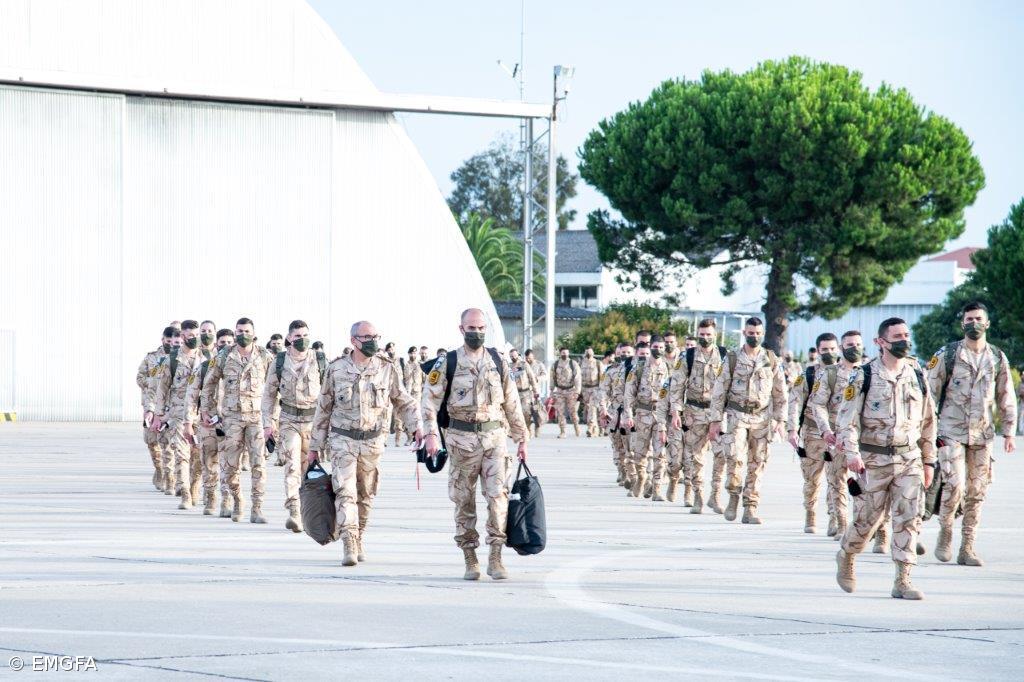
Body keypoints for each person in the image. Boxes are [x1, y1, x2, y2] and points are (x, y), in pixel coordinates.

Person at [835, 317, 937, 600]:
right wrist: (852, 454)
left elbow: (929, 421)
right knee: (868, 521)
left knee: (908, 517)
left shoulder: (917, 373)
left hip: (909, 458)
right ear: (881, 342)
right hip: (873, 460)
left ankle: (903, 579)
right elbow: (847, 420)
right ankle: (847, 554)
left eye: (906, 334)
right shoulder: (864, 375)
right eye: (897, 336)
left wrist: (929, 461)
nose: (904, 340)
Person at [421, 309, 527, 580]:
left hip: (494, 440)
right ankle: (470, 555)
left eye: (481, 328)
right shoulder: (448, 362)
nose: (477, 332)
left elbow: (512, 402)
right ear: (461, 329)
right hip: (461, 442)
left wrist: (521, 438)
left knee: (497, 498)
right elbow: (429, 402)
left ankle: (496, 555)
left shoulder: (498, 361)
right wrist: (431, 434)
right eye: (471, 327)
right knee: (464, 501)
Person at [309, 321, 421, 566]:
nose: (373, 341)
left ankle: (359, 534)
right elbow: (323, 408)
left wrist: (417, 428)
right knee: (345, 492)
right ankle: (349, 540)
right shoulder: (336, 369)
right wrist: (314, 447)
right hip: (342, 439)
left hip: (372, 442)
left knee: (366, 495)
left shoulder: (387, 368)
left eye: (375, 336)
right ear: (353, 341)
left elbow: (403, 401)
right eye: (367, 337)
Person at [924, 302, 1016, 566]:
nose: (973, 323)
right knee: (955, 487)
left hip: (982, 434)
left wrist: (1009, 432)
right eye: (968, 319)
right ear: (962, 323)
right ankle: (946, 531)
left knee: (977, 492)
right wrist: (927, 431)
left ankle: (968, 547)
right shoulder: (948, 354)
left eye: (978, 318)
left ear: (987, 323)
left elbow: (1006, 396)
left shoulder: (997, 357)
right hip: (950, 431)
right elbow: (930, 394)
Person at [708, 317, 787, 524]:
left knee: (758, 463)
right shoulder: (732, 358)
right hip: (737, 416)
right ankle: (733, 494)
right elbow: (719, 390)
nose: (755, 337)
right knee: (734, 458)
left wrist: (780, 420)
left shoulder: (771, 359)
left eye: (758, 333)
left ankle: (750, 507)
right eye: (751, 333)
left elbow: (780, 392)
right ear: (745, 334)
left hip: (762, 418)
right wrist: (715, 421)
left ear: (762, 334)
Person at [200, 318, 273, 523]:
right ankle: (237, 499)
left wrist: (273, 418)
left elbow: (274, 387)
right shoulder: (224, 356)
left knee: (258, 464)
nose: (243, 334)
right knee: (230, 466)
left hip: (257, 418)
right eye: (239, 331)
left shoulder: (264, 356)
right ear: (235, 332)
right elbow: (209, 384)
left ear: (254, 332)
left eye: (247, 331)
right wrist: (207, 410)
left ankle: (257, 508)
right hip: (231, 419)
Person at [262, 320, 324, 533]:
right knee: (291, 466)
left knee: (310, 468)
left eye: (305, 335)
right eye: (297, 336)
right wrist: (267, 424)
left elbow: (330, 396)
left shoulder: (320, 360)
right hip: (288, 420)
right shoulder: (279, 362)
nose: (302, 339)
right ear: (289, 338)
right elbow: (269, 395)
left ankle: (308, 510)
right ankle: (294, 511)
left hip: (313, 422)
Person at [664, 318, 726, 513]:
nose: (705, 338)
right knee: (696, 456)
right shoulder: (688, 356)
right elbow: (676, 385)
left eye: (709, 335)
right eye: (702, 335)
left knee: (721, 454)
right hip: (694, 412)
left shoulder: (725, 356)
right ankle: (697, 495)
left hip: (717, 413)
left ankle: (715, 495)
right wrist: (676, 411)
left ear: (715, 335)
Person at [808, 330, 864, 540]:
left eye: (858, 344)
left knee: (868, 484)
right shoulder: (830, 374)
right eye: (849, 345)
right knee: (837, 481)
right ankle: (841, 525)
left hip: (864, 437)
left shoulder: (870, 371)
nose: (854, 348)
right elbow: (818, 403)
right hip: (837, 437)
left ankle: (873, 529)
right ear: (842, 348)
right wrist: (825, 429)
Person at [787, 333, 840, 533]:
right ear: (817, 351)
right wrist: (792, 428)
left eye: (833, 349)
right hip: (812, 433)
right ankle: (810, 512)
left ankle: (835, 517)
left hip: (837, 434)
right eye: (825, 349)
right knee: (812, 478)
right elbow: (795, 401)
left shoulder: (848, 373)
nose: (829, 353)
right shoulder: (809, 375)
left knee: (836, 478)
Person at [150, 320, 206, 509]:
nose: (195, 339)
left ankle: (195, 485)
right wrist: (158, 414)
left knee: (198, 455)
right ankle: (185, 494)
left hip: (200, 414)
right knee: (182, 454)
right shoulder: (172, 360)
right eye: (190, 336)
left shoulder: (207, 358)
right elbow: (162, 389)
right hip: (177, 414)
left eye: (197, 335)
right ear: (182, 337)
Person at [185, 327, 233, 515]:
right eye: (222, 343)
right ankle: (211, 497)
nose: (226, 346)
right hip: (208, 423)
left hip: (231, 422)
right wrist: (189, 422)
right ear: (215, 344)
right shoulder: (205, 367)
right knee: (208, 461)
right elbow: (191, 395)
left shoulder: (237, 368)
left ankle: (227, 500)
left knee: (230, 464)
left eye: (230, 343)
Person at [623, 337, 671, 499]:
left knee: (660, 454)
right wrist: (628, 415)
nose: (659, 349)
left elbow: (675, 392)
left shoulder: (669, 369)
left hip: (661, 416)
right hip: (642, 415)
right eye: (656, 346)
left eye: (661, 347)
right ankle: (642, 478)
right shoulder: (639, 368)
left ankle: (657, 489)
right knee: (640, 453)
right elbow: (629, 394)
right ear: (651, 347)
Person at [137, 326, 175, 491]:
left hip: (169, 406)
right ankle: (159, 468)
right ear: (163, 340)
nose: (170, 345)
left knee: (168, 443)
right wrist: (154, 383)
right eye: (167, 342)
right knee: (151, 441)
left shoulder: (179, 359)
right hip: (150, 403)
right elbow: (139, 377)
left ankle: (170, 475)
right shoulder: (151, 358)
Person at [659, 331, 688, 503]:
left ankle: (690, 492)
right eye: (666, 341)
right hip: (671, 415)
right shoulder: (658, 361)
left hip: (693, 417)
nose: (669, 344)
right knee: (675, 458)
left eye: (672, 341)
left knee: (693, 459)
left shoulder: (685, 359)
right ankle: (674, 478)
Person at [600, 343, 634, 486]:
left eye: (628, 352)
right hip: (614, 413)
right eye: (622, 352)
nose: (624, 354)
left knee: (632, 445)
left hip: (632, 413)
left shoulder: (638, 370)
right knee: (617, 444)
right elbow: (603, 391)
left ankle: (633, 475)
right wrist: (603, 409)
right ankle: (622, 470)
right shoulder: (611, 370)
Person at [509, 348, 540, 439]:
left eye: (514, 355)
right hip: (514, 393)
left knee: (526, 413)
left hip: (525, 393)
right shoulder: (509, 366)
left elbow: (531, 378)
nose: (513, 357)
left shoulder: (524, 365)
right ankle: (516, 432)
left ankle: (527, 430)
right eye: (511, 356)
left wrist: (536, 391)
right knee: (514, 413)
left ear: (518, 355)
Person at [551, 347, 582, 438]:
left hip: (571, 391)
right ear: (560, 353)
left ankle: (576, 427)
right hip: (560, 391)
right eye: (563, 353)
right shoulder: (555, 364)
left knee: (573, 411)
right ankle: (562, 431)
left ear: (568, 353)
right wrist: (551, 390)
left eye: (566, 353)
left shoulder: (573, 363)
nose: (564, 354)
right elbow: (552, 378)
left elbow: (577, 378)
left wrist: (577, 391)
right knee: (560, 412)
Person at [397, 346, 424, 446]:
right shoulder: (404, 365)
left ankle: (417, 437)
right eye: (411, 353)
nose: (413, 355)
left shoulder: (421, 365)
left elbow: (424, 380)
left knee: (417, 416)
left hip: (417, 393)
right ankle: (409, 437)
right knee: (407, 416)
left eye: (415, 353)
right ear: (408, 354)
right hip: (407, 393)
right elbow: (401, 379)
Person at [579, 347, 603, 438]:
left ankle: (590, 427)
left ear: (593, 353)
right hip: (585, 389)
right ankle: (595, 429)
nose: (588, 354)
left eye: (590, 353)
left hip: (595, 388)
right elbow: (578, 377)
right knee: (588, 409)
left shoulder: (597, 363)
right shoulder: (581, 363)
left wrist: (602, 389)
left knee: (592, 407)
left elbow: (602, 377)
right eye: (587, 352)